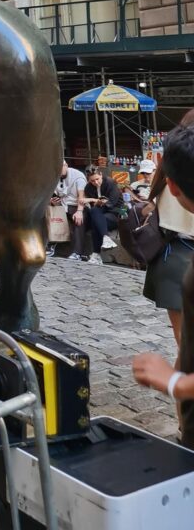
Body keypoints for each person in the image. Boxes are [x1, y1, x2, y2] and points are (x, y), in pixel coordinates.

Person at [133, 122, 194, 448]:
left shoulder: (171, 171)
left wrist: (172, 383)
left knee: (185, 344)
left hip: (175, 256)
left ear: (172, 185)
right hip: (177, 258)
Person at [52, 160, 89, 260]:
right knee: (48, 214)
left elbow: (82, 196)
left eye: (61, 167)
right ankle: (50, 246)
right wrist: (54, 201)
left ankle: (77, 252)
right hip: (63, 205)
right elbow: (56, 194)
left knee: (78, 220)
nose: (59, 170)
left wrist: (80, 211)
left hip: (77, 206)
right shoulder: (55, 177)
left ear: (66, 165)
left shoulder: (78, 176)